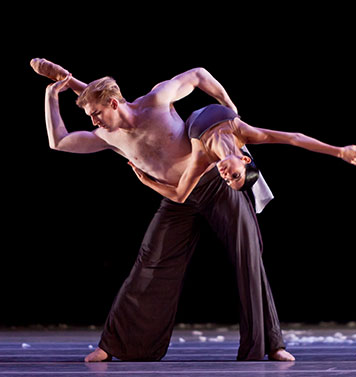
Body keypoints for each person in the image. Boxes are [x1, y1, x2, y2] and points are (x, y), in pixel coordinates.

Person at [31, 58, 294, 362]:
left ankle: (271, 344)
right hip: (176, 198)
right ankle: (115, 345)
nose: (94, 122)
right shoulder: (107, 137)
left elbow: (198, 75)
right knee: (150, 262)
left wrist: (229, 107)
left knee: (247, 254)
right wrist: (52, 94)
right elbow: (59, 141)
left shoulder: (157, 101)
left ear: (115, 103)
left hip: (214, 183)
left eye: (96, 114)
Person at [127, 103, 356, 202]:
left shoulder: (201, 159)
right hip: (219, 100)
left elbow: (180, 195)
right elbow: (295, 138)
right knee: (201, 75)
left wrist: (145, 180)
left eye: (227, 180)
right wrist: (338, 151)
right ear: (245, 158)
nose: (226, 175)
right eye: (235, 175)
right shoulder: (244, 133)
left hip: (179, 117)